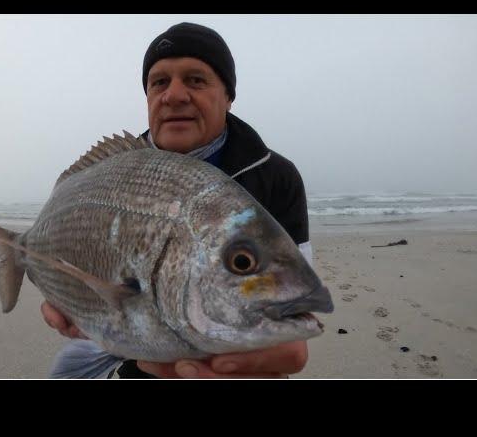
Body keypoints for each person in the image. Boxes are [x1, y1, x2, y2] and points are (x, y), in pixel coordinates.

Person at [42, 22, 313, 378]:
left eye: (196, 80)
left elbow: (293, 299)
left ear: (228, 95)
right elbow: (72, 266)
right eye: (159, 83)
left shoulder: (275, 177)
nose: (174, 95)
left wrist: (284, 348)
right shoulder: (111, 176)